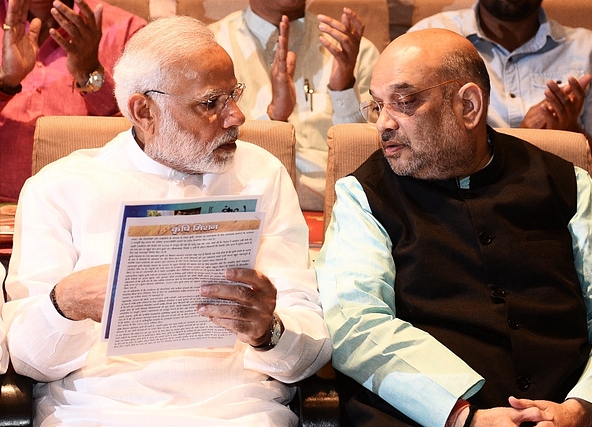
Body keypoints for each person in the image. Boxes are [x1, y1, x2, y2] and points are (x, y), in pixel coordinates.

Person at [2, 15, 331, 427]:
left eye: (234, 95)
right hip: (96, 410)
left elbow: (312, 350)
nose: (236, 117)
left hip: (238, 411)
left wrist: (270, 331)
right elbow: (31, 362)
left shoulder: (262, 176)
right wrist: (64, 304)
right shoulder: (60, 187)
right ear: (144, 110)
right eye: (211, 103)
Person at [315, 28, 592, 427]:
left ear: (468, 105)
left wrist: (582, 409)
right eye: (376, 105)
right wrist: (464, 417)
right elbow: (355, 322)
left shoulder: (566, 184)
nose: (383, 123)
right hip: (430, 418)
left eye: (402, 102)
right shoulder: (363, 196)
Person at [409, 0, 592, 203]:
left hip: (555, 210)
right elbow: (404, 148)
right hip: (454, 204)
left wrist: (571, 131)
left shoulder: (588, 49)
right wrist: (523, 140)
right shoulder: (427, 39)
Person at [209, 0, 379, 211]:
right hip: (246, 207)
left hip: (341, 211)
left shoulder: (355, 50)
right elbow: (205, 153)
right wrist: (274, 117)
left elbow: (371, 158)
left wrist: (343, 88)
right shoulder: (209, 50)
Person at [0, 0, 146, 203]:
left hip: (93, 209)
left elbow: (147, 135)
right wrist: (6, 85)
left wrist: (90, 74)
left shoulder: (128, 31)